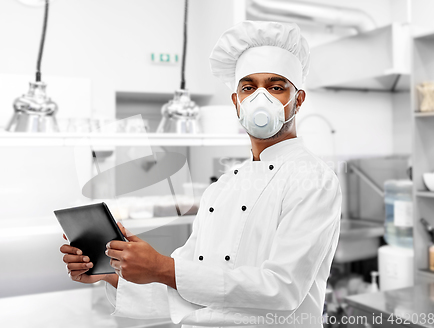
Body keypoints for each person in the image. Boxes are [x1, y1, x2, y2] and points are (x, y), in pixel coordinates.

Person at [60, 20, 342, 327]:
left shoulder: (313, 179)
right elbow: (189, 288)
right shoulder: (222, 187)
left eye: (276, 87)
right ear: (237, 102)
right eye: (248, 88)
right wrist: (114, 272)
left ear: (297, 100)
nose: (261, 98)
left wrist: (162, 267)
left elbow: (282, 290)